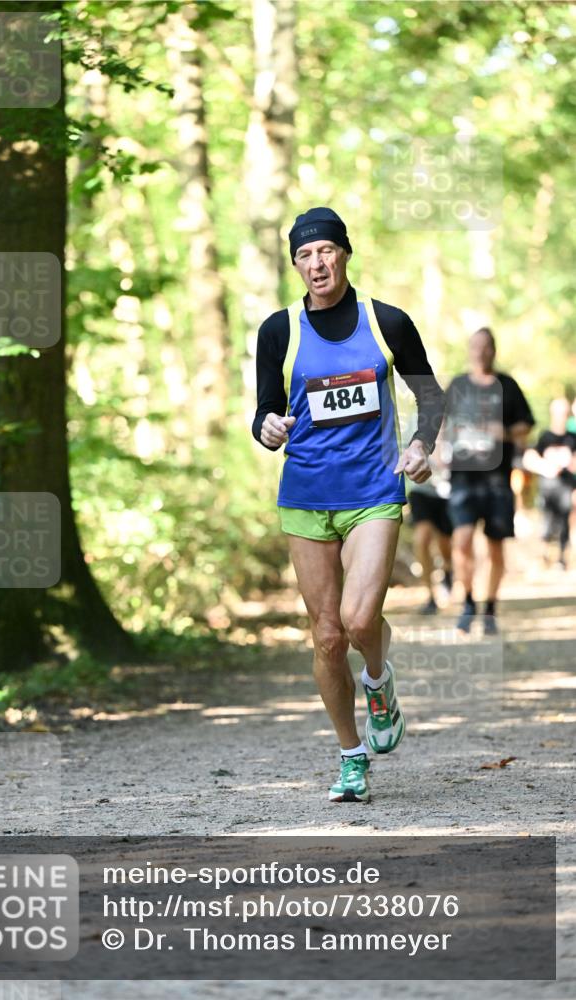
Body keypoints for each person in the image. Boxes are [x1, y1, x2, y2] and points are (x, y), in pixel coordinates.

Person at [252, 207, 445, 804]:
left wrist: (419, 445)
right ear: (295, 265)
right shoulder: (278, 331)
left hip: (373, 493)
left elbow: (431, 396)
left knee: (361, 622)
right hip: (306, 496)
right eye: (305, 256)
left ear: (345, 254)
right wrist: (268, 428)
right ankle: (350, 754)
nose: (317, 264)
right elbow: (262, 412)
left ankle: (379, 683)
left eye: (326, 251)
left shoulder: (385, 322)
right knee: (327, 635)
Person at [444, 328, 535, 635]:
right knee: (463, 540)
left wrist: (506, 433)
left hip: (497, 479)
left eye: (486, 347)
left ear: (494, 350)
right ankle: (468, 602)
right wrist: (440, 449)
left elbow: (527, 424)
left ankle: (491, 607)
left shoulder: (507, 385)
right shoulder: (457, 385)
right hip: (462, 477)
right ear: (469, 350)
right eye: (476, 347)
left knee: (496, 546)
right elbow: (440, 423)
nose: (481, 352)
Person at [523, 397, 576, 569]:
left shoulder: (572, 438)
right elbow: (529, 457)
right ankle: (544, 556)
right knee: (546, 523)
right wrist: (546, 467)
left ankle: (561, 557)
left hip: (566, 488)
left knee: (563, 523)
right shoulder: (544, 436)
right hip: (547, 488)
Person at [407, 428, 453, 614]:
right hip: (421, 489)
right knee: (422, 538)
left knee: (445, 542)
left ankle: (448, 570)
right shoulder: (414, 423)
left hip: (449, 491)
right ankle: (430, 596)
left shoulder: (457, 424)